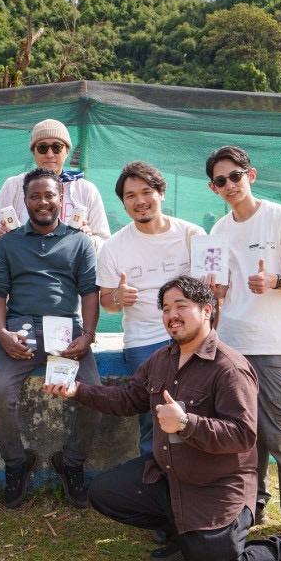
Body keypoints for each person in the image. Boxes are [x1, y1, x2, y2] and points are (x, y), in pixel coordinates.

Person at [44, 276, 281, 561]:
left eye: (181, 306)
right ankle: (183, 535)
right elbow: (128, 399)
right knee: (105, 492)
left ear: (206, 311)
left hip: (216, 490)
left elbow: (243, 435)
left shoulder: (230, 368)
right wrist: (77, 390)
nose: (172, 314)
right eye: (166, 308)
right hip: (171, 476)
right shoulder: (162, 360)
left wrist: (186, 423)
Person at [205, 145, 281, 533]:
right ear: (213, 188)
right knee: (244, 438)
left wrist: (274, 280)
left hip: (275, 345)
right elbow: (216, 293)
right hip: (232, 346)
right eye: (221, 181)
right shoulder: (217, 232)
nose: (230, 185)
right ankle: (253, 507)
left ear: (250, 175)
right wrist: (214, 291)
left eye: (235, 176)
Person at [0, 168, 102, 510]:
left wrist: (88, 336)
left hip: (67, 333)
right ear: (24, 201)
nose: (42, 202)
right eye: (34, 196)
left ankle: (71, 461)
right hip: (20, 331)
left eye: (49, 195)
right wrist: (2, 333)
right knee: (0, 393)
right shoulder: (8, 243)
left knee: (94, 394)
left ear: (60, 198)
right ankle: (16, 463)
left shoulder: (80, 241)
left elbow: (90, 292)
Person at [97, 161, 204, 458]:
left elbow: (212, 290)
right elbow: (107, 304)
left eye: (146, 192)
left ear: (161, 193)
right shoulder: (112, 247)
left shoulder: (192, 234)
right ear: (123, 203)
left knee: (198, 409)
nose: (140, 201)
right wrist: (118, 296)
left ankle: (198, 475)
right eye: (130, 195)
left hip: (193, 337)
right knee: (154, 414)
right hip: (144, 342)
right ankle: (153, 473)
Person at [0, 119, 111, 294]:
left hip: (68, 281)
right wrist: (6, 240)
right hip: (20, 278)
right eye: (42, 148)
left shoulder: (86, 190)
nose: (50, 154)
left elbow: (104, 242)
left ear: (67, 151)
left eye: (57, 147)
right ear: (33, 152)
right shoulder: (14, 185)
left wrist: (88, 240)